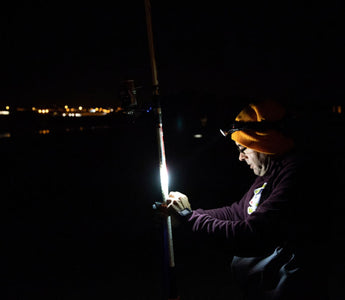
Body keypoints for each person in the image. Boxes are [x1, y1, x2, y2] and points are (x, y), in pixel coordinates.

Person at [166, 99, 329, 299]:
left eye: (243, 149)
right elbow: (237, 212)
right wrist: (188, 214)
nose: (240, 158)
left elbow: (252, 235)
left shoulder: (297, 175)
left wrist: (188, 218)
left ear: (263, 144)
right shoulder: (269, 174)